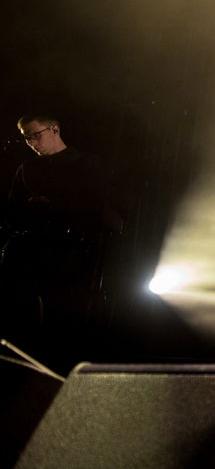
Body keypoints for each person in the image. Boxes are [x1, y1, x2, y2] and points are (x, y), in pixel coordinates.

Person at [4, 113, 122, 368]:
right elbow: (13, 210)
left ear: (54, 129)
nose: (32, 143)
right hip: (34, 251)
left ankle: (64, 366)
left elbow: (98, 206)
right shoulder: (27, 168)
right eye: (26, 139)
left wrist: (55, 205)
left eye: (36, 135)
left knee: (65, 315)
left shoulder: (88, 163)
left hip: (72, 253)